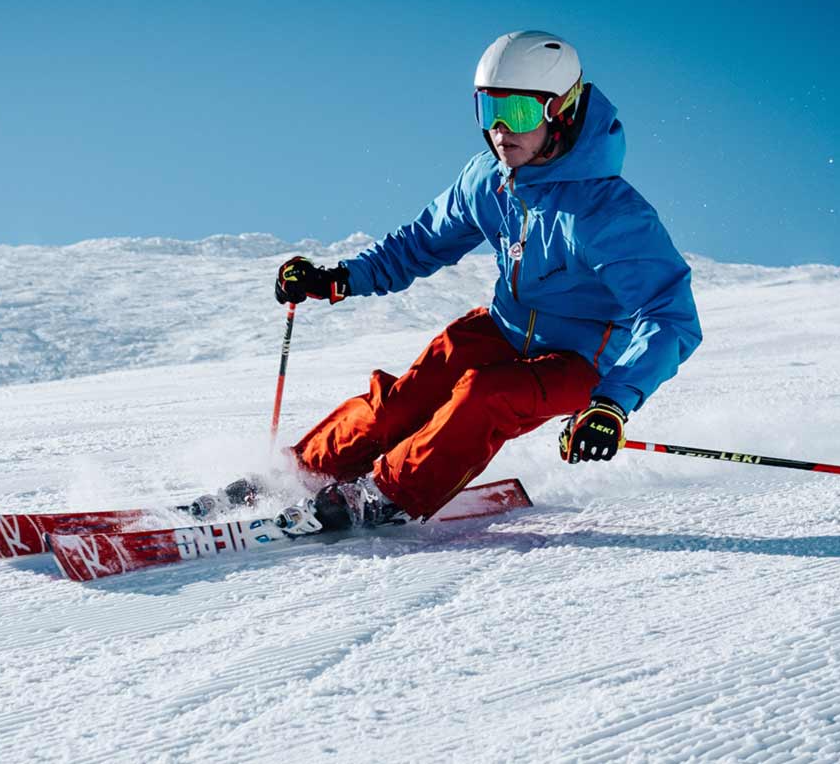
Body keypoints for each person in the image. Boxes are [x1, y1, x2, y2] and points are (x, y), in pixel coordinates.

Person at [257, 30, 703, 535]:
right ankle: (301, 473)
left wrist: (612, 404)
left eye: (518, 112)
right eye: (488, 109)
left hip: (581, 361)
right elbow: (420, 243)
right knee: (405, 400)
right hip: (503, 328)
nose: (499, 130)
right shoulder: (487, 179)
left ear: (561, 110)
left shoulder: (609, 214)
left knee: (485, 395)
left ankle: (386, 496)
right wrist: (337, 278)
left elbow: (669, 317)